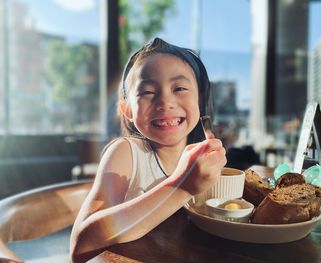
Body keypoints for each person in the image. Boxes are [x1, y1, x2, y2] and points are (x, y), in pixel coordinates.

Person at [69, 37, 227, 262]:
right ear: (127, 110)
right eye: (148, 92)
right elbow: (81, 246)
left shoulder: (202, 158)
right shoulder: (126, 153)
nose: (165, 101)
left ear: (200, 100)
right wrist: (181, 186)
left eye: (179, 88)